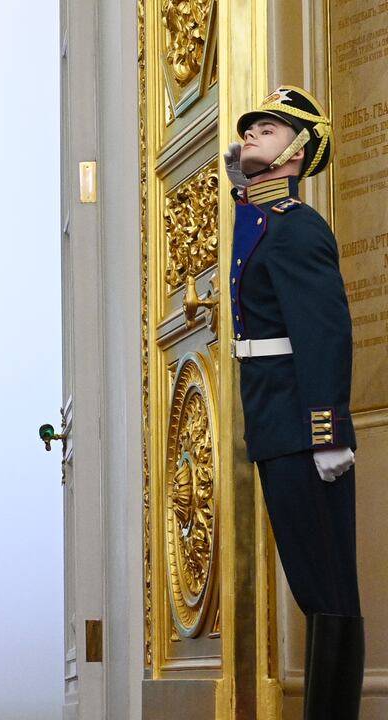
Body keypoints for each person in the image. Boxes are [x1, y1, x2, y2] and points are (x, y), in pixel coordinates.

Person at [224, 85, 363, 718]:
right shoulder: (266, 222)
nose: (251, 132)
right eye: (250, 127)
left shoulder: (300, 230)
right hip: (276, 422)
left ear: (299, 152)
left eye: (270, 130)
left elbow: (324, 331)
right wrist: (241, 187)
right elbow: (253, 230)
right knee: (315, 589)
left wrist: (328, 429)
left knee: (328, 592)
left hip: (302, 430)